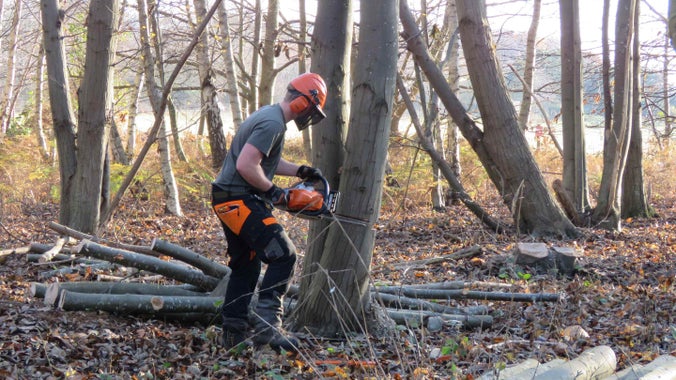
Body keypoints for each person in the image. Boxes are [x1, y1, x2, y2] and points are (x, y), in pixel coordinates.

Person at [211, 73, 327, 353]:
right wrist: (276, 193)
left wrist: (299, 171)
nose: (310, 114)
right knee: (283, 254)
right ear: (301, 102)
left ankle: (233, 335)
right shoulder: (273, 123)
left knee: (246, 266)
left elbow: (264, 160)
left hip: (228, 197)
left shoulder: (270, 116)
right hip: (239, 199)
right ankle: (267, 329)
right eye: (311, 108)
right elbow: (247, 166)